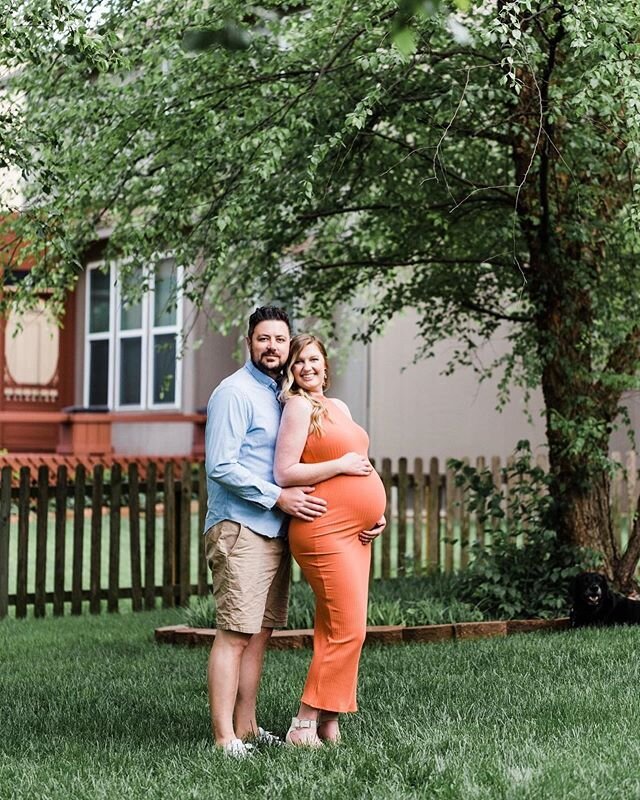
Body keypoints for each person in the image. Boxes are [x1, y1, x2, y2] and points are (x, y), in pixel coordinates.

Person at [204, 308, 327, 757]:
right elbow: (221, 465)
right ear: (249, 342)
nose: (272, 347)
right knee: (235, 633)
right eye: (263, 339)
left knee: (259, 635)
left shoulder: (282, 396)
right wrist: (277, 497)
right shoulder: (234, 393)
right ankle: (224, 739)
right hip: (240, 528)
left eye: (280, 339)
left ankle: (248, 728)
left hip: (274, 532)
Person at [274, 333, 386, 745]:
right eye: (299, 361)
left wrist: (379, 513)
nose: (307, 367)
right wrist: (339, 464)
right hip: (324, 530)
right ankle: (303, 724)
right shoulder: (298, 407)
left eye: (314, 359)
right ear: (292, 370)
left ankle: (328, 720)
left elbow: (362, 466)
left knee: (334, 626)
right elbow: (284, 472)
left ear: (326, 365)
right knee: (348, 628)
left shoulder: (337, 407)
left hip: (357, 533)